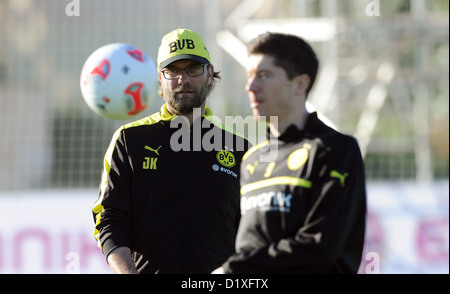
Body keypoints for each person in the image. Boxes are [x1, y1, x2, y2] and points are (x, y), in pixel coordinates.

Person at [92, 28, 251, 274]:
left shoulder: (239, 148)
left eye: (193, 69)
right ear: (159, 77)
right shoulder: (129, 140)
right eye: (173, 70)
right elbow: (110, 218)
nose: (183, 79)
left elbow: (252, 233)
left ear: (210, 74)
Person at [212, 32, 367, 274]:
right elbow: (248, 247)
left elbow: (319, 246)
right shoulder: (252, 160)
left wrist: (233, 270)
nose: (251, 86)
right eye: (249, 76)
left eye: (264, 75)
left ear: (300, 84)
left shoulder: (335, 150)